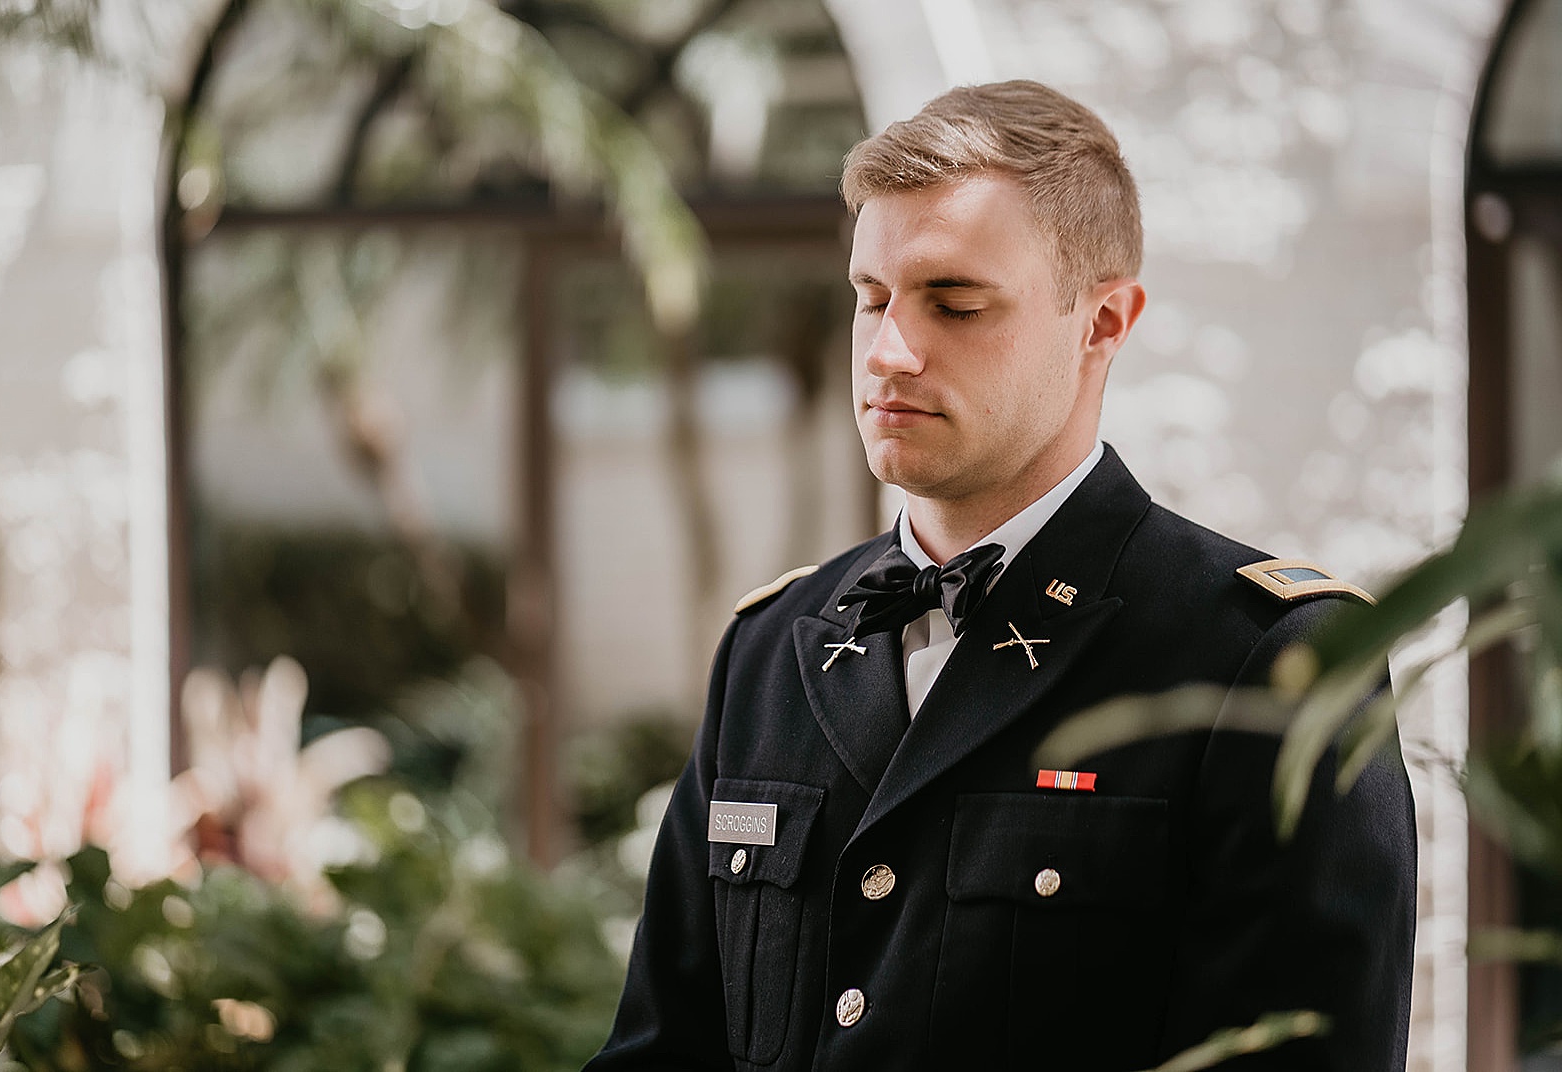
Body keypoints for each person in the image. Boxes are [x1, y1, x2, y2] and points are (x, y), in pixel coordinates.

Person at [585, 80, 1415, 1071]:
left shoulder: (1266, 661)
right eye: (871, 298)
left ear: (1103, 323)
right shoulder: (768, 649)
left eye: (955, 302)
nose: (889, 351)